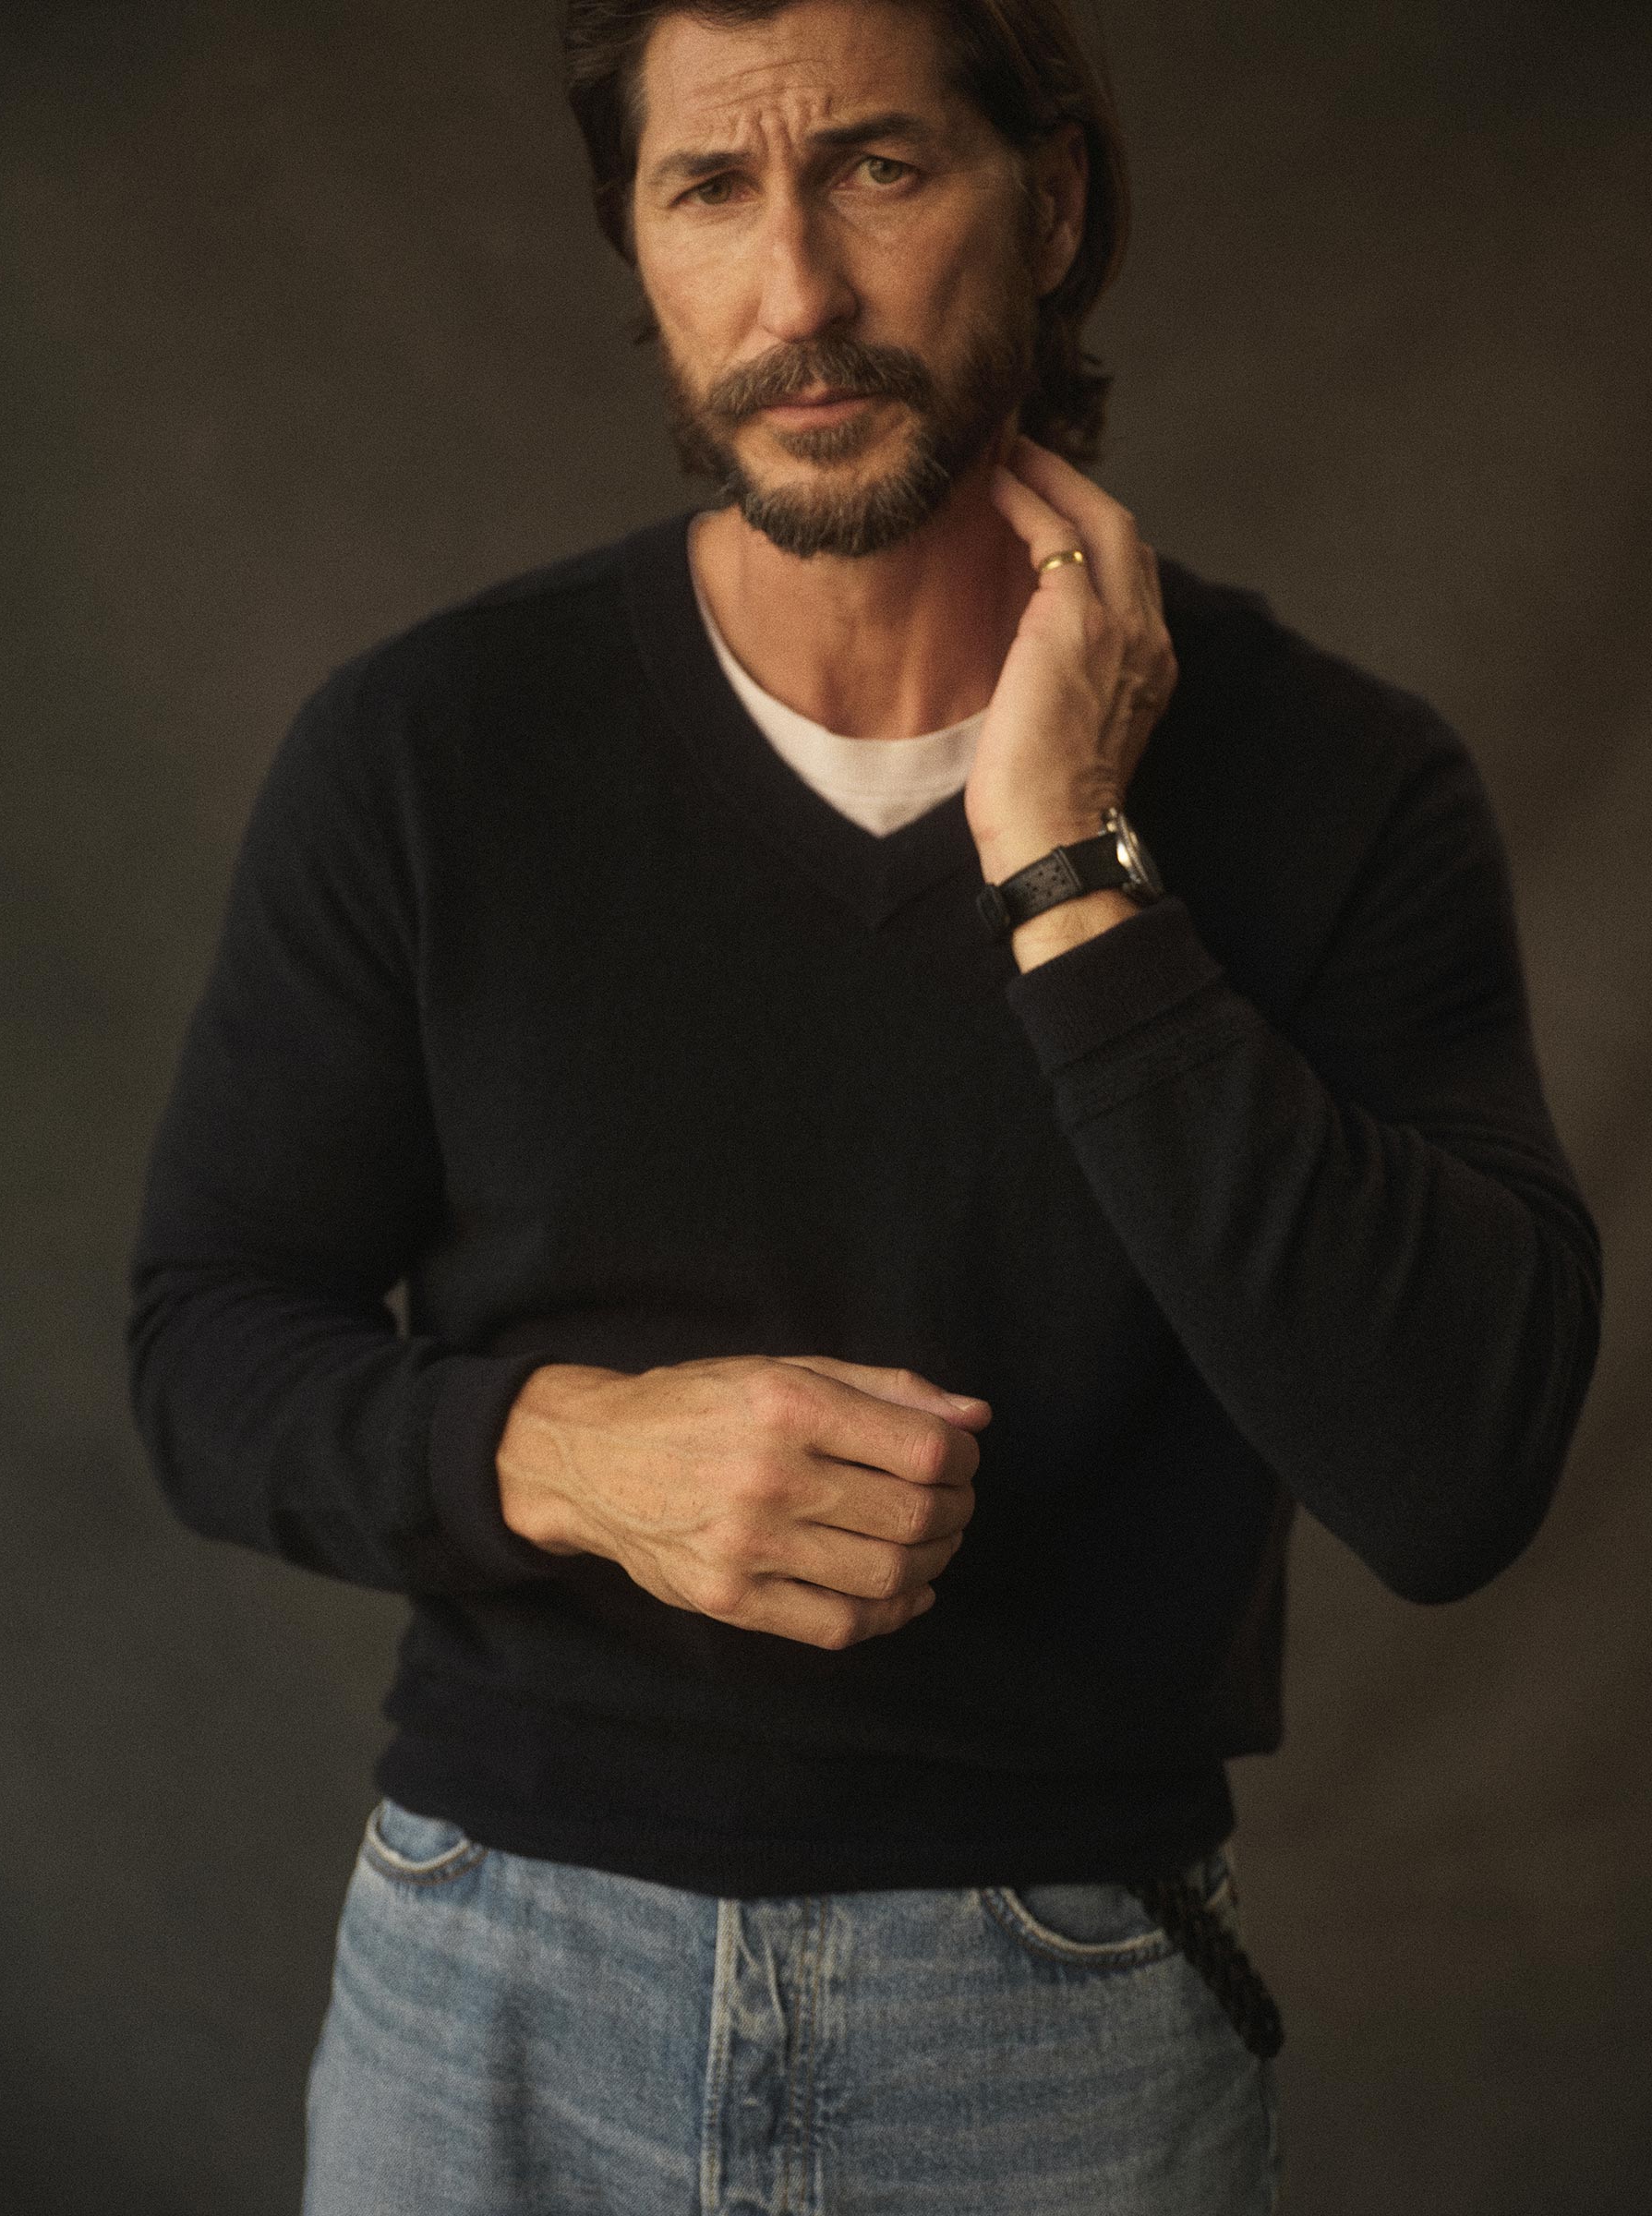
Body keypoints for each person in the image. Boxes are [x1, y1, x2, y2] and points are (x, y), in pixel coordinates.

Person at [126, 0, 1603, 2208]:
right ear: (637, 243)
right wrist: (570, 1451)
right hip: (492, 1979)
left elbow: (1455, 1477)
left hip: (1059, 2022)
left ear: (1056, 203)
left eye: (880, 170)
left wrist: (1069, 867)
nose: (798, 291)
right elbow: (203, 1349)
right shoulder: (427, 751)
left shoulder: (1340, 784)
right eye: (712, 189)